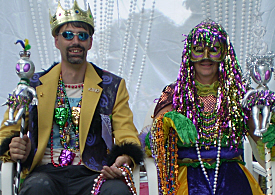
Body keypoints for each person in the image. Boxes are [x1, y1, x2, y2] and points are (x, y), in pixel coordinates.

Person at [0, 1, 143, 195]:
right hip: (46, 172)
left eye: (82, 35)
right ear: (56, 41)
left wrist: (125, 156)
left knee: (117, 191)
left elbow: (127, 133)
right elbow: (7, 131)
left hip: (94, 171)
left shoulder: (112, 86)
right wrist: (15, 148)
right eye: (68, 35)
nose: (75, 41)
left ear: (90, 42)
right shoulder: (31, 85)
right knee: (36, 188)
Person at [143, 19, 265, 194]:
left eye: (213, 49)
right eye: (199, 50)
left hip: (232, 176)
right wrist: (167, 121)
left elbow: (260, 134)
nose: (206, 57)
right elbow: (152, 142)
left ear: (224, 53)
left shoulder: (239, 93)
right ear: (189, 55)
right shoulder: (173, 93)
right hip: (187, 177)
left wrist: (268, 130)